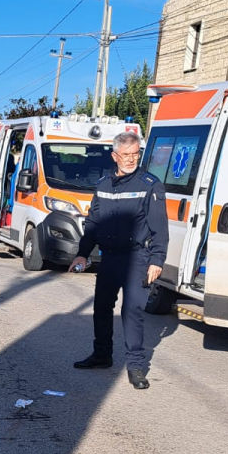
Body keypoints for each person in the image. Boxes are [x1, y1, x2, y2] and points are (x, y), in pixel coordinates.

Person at [69, 131, 168, 389]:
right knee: (102, 307)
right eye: (125, 155)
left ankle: (135, 366)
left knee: (132, 310)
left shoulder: (150, 184)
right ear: (114, 156)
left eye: (135, 154)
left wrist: (157, 259)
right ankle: (102, 355)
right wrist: (82, 252)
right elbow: (93, 222)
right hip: (110, 257)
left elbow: (160, 227)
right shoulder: (103, 184)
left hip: (138, 257)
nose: (131, 159)